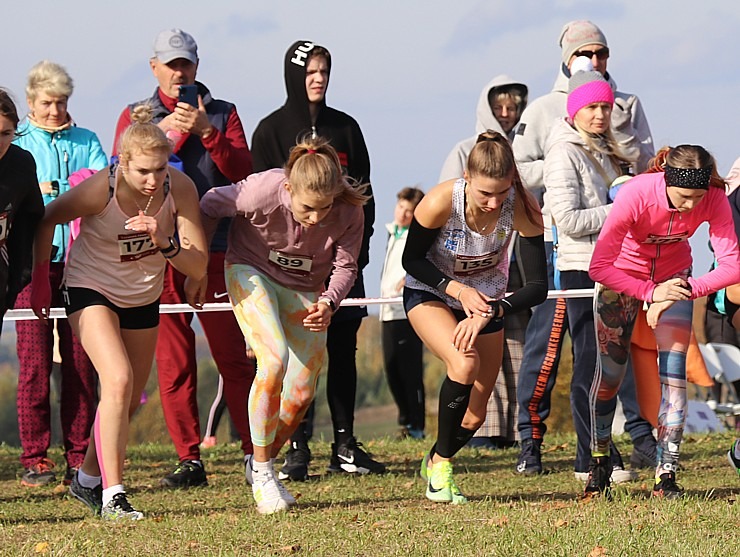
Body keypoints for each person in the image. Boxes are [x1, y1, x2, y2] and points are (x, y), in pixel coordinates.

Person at [30, 105, 208, 519]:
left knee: (125, 400)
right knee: (118, 378)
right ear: (122, 163)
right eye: (143, 171)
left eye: (160, 169)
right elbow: (46, 220)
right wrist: (41, 278)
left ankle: (87, 479)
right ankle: (114, 496)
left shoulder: (178, 189)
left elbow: (196, 265)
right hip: (90, 288)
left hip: (142, 296)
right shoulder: (100, 190)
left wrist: (163, 239)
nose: (152, 180)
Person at [512, 20, 657, 479]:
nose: (600, 114)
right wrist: (617, 214)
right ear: (574, 109)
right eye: (591, 107)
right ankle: (587, 458)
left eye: (605, 106)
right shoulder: (563, 151)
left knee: (612, 363)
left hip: (616, 266)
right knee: (587, 365)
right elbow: (570, 219)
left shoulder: (609, 150)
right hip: (578, 266)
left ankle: (606, 449)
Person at [112, 28, 255, 488]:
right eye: (170, 65)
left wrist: (208, 133)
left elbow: (243, 174)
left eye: (186, 64)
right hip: (155, 252)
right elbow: (119, 174)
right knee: (173, 362)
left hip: (217, 250)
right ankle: (189, 458)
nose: (179, 73)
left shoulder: (223, 113)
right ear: (154, 67)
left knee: (233, 357)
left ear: (197, 66)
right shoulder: (136, 117)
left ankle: (255, 453)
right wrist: (165, 133)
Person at [198, 137, 369, 514]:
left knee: (302, 392)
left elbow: (345, 266)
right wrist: (201, 263)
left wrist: (329, 302)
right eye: (308, 208)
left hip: (307, 288)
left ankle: (262, 462)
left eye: (325, 208)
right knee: (272, 361)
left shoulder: (347, 210)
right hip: (250, 270)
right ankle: (261, 472)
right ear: (289, 188)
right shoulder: (260, 191)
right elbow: (210, 203)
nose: (316, 218)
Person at [251, 40, 381, 480]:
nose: (318, 78)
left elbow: (365, 194)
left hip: (340, 266)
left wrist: (357, 259)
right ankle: (294, 448)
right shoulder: (269, 130)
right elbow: (260, 204)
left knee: (343, 350)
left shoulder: (346, 128)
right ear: (293, 74)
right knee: (290, 357)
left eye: (324, 70)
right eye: (310, 71)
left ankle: (345, 444)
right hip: (285, 272)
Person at [586, 144, 740, 499]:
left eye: (698, 198)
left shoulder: (713, 197)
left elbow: (732, 266)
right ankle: (599, 464)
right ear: (667, 180)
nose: (691, 206)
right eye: (685, 197)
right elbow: (599, 266)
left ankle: (666, 475)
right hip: (622, 278)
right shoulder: (637, 194)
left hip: (676, 279)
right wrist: (649, 293)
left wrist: (683, 289)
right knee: (610, 376)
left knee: (675, 380)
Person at [403, 130, 547, 503]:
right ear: (467, 178)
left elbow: (537, 286)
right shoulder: (440, 201)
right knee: (464, 363)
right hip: (433, 292)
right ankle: (441, 474)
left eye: (501, 192)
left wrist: (492, 309)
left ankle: (435, 456)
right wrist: (458, 290)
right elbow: (411, 260)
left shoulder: (522, 207)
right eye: (485, 193)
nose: (493, 201)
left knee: (474, 416)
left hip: (486, 305)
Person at [13, 61, 107, 487]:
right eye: (47, 103)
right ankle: (35, 455)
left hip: (79, 262)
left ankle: (77, 452)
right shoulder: (16, 144)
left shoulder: (87, 140)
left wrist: (71, 189)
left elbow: (105, 187)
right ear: (31, 102)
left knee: (80, 361)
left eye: (62, 102)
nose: (55, 110)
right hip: (31, 262)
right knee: (34, 361)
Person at [440, 75, 529, 449]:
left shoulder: (529, 146)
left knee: (518, 347)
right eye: (499, 108)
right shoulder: (464, 149)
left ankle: (512, 429)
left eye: (513, 107)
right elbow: (447, 202)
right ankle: (482, 430)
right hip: (465, 264)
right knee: (471, 346)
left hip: (512, 257)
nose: (506, 115)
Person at [379, 186, 426, 440]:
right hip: (386, 309)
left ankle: (415, 425)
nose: (403, 214)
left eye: (410, 211)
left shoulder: (419, 235)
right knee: (391, 367)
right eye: (401, 208)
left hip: (408, 311)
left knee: (410, 370)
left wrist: (410, 277)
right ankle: (405, 420)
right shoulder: (391, 234)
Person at [0, 89, 44, 333]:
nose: (0, 143)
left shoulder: (21, 164)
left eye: (6, 134)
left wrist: (15, 282)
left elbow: (29, 223)